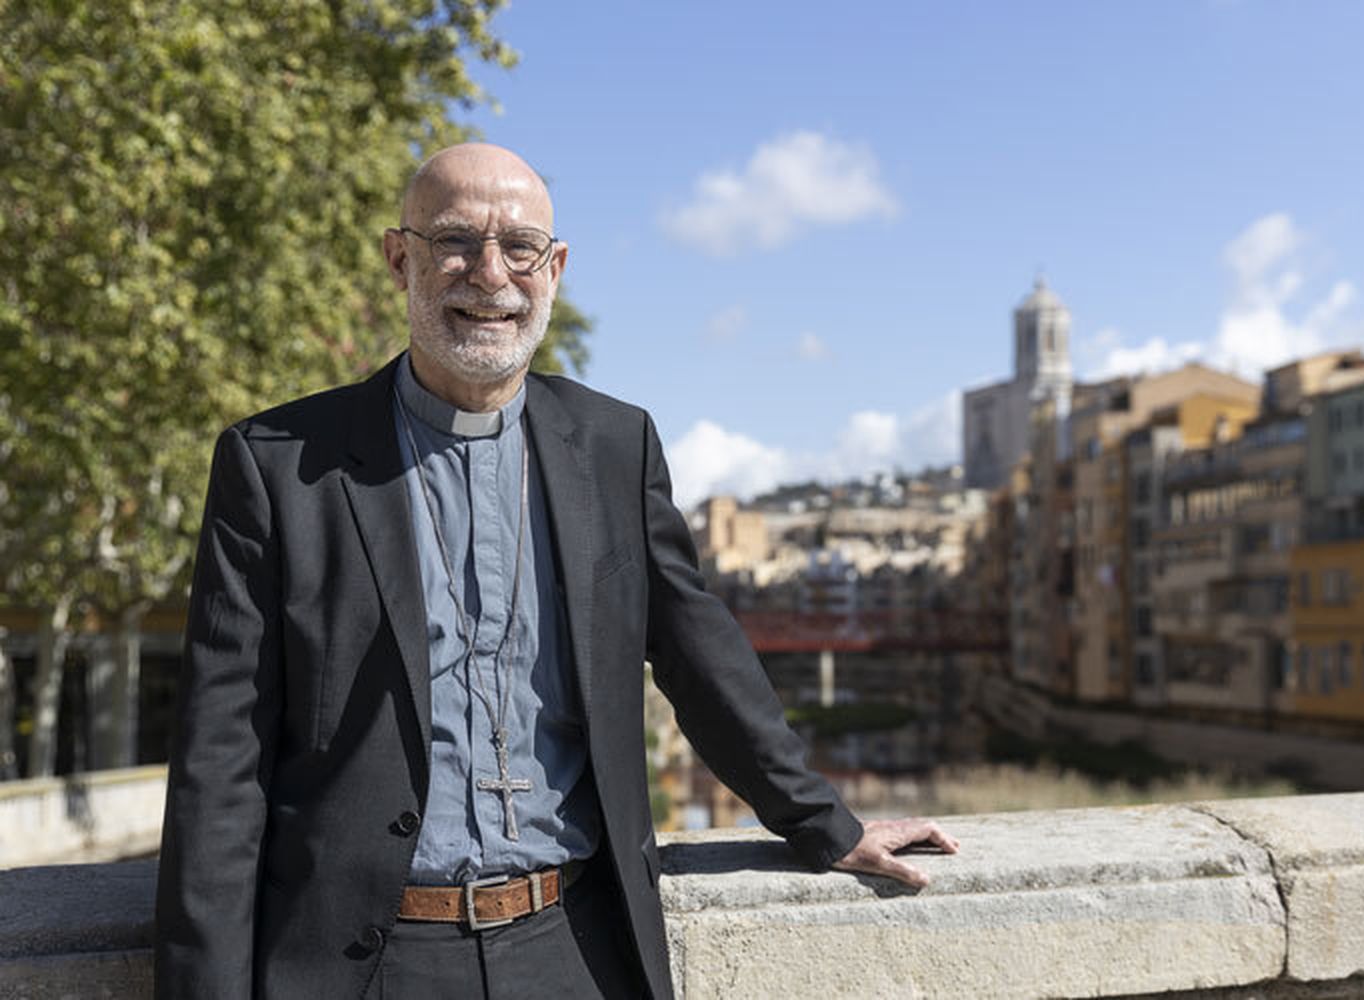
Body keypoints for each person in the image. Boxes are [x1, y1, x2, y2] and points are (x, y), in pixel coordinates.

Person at [154, 143, 957, 1000]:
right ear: (401, 258)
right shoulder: (277, 465)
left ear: (555, 267)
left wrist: (823, 825)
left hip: (575, 946)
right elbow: (221, 758)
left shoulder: (616, 446)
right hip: (365, 963)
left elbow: (698, 654)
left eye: (520, 247)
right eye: (455, 241)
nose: (489, 274)